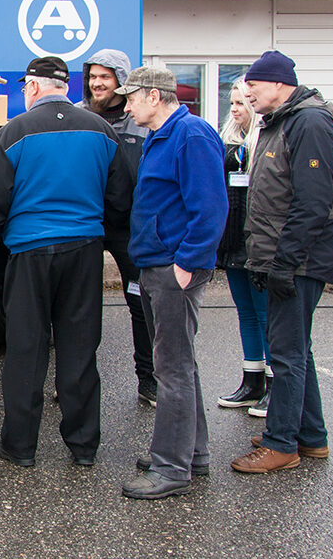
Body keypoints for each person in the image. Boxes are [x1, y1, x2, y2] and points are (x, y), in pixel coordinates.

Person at [0, 56, 129, 468]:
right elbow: (120, 199)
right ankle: (83, 448)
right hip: (84, 251)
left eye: (25, 87)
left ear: (35, 87)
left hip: (29, 253)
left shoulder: (13, 133)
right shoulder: (102, 131)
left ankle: (19, 447)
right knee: (80, 347)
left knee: (27, 347)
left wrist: (7, 235)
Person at [230, 51, 333, 474]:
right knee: (297, 348)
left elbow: (312, 203)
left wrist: (284, 262)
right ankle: (311, 437)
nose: (249, 96)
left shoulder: (310, 123)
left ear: (278, 84)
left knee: (287, 353)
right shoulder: (280, 123)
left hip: (299, 259)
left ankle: (282, 444)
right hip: (284, 256)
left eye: (253, 89)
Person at [116, 66, 228, 500]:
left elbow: (211, 208)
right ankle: (191, 454)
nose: (127, 106)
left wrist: (187, 263)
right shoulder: (162, 136)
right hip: (158, 265)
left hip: (173, 269)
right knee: (180, 364)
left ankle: (170, 468)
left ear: (154, 96)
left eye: (132, 98)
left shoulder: (191, 135)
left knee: (172, 368)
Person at [77, 49, 156, 407]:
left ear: (121, 81)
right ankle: (75, 380)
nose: (97, 83)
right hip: (87, 226)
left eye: (105, 77)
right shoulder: (77, 118)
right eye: (93, 77)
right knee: (78, 306)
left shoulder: (140, 122)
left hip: (130, 230)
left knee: (141, 304)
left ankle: (149, 380)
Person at [216, 79, 272, 415]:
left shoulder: (267, 142)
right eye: (233, 103)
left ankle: (274, 385)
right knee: (246, 313)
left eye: (241, 103)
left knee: (266, 315)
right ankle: (251, 382)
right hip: (233, 239)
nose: (235, 109)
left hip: (260, 242)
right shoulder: (228, 143)